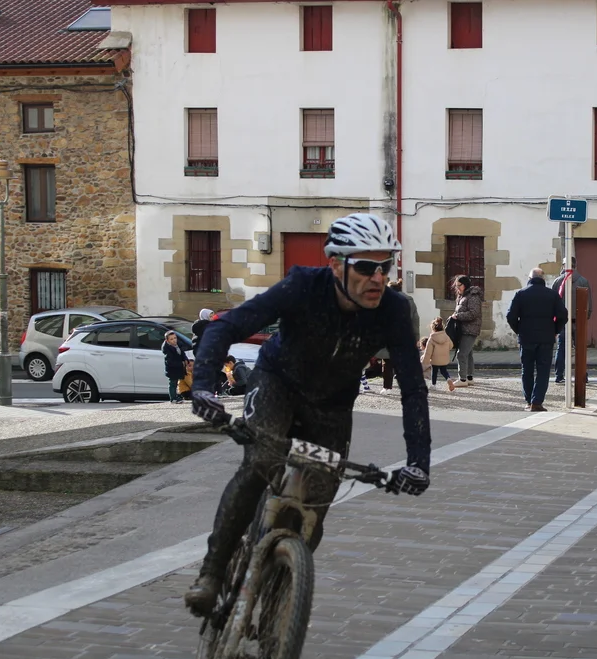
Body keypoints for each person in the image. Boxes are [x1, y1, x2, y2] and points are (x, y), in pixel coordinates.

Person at [184, 213, 432, 616]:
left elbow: (413, 388)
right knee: (259, 464)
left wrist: (419, 462)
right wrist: (202, 388)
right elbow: (223, 328)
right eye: (365, 267)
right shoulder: (302, 286)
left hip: (331, 407)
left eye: (385, 267)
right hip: (278, 383)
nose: (377, 278)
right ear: (335, 264)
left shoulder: (393, 310)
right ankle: (211, 574)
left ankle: (279, 606)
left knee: (315, 509)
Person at [507, 268, 568, 412]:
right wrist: (555, 330)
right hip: (546, 337)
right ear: (543, 279)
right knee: (543, 370)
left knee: (527, 370)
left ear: (530, 278)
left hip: (526, 337)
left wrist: (519, 330)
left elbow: (510, 316)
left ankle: (529, 401)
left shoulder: (521, 294)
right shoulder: (552, 295)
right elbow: (563, 315)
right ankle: (537, 401)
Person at [375, 278, 421, 393]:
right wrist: (416, 337)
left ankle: (387, 387)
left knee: (387, 362)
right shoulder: (409, 300)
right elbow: (415, 320)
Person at [551, 258, 592, 384]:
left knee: (561, 349)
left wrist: (554, 320)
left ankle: (559, 375)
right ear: (576, 265)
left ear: (564, 266)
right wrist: (586, 317)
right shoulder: (583, 281)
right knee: (580, 350)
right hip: (579, 320)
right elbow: (589, 303)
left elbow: (552, 303)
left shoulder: (558, 281)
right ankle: (582, 375)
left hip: (562, 322)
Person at [449, 275, 483, 387]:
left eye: (459, 285)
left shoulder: (473, 296)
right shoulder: (462, 296)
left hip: (470, 329)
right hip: (463, 328)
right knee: (468, 353)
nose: (457, 288)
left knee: (461, 354)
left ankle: (462, 379)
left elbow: (474, 313)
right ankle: (469, 377)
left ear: (465, 285)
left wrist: (458, 316)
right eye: (456, 286)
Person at [421, 317, 456, 392]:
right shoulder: (446, 336)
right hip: (444, 359)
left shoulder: (432, 338)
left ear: (433, 328)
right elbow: (451, 345)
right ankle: (448, 379)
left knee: (434, 372)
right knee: (444, 371)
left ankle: (433, 385)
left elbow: (428, 351)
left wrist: (425, 361)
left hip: (435, 360)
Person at [162, 330, 188, 403]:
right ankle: (173, 398)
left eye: (175, 338)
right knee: (172, 383)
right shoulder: (167, 349)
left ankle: (176, 396)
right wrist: (181, 363)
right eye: (171, 339)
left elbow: (182, 353)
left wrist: (185, 359)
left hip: (178, 368)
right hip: (172, 369)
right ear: (167, 340)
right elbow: (170, 362)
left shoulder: (178, 345)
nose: (174, 340)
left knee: (176, 382)